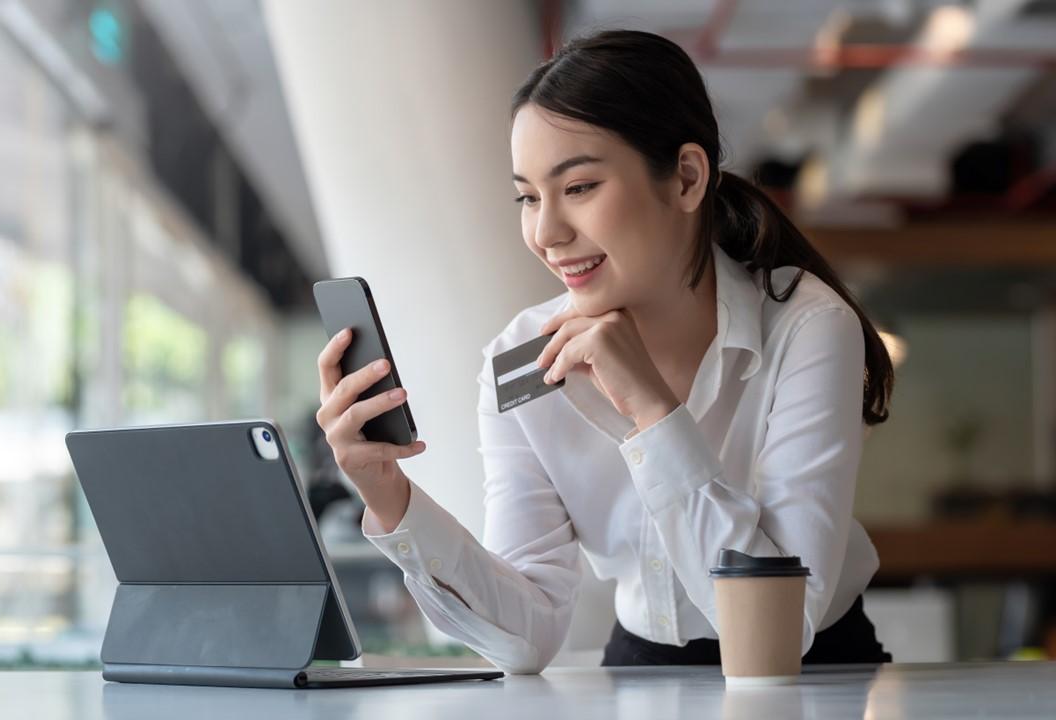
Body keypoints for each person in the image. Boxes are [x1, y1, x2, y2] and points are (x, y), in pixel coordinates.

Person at [314, 29, 894, 673]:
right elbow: (525, 638)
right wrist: (391, 497)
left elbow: (785, 625)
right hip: (640, 667)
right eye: (528, 197)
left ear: (686, 178)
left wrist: (651, 411)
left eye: (580, 187)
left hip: (815, 672)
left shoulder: (807, 328)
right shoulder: (520, 360)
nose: (546, 232)